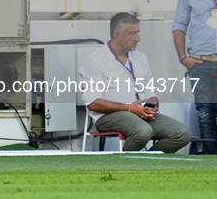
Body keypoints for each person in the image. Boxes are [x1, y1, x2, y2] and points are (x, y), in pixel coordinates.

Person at [80, 12, 191, 152]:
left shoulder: (140, 57)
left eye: (138, 32)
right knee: (142, 131)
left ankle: (148, 166)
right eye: (132, 33)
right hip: (109, 116)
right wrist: (129, 107)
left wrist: (151, 104)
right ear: (117, 35)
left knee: (181, 134)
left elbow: (151, 92)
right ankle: (126, 166)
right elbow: (93, 103)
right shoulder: (96, 60)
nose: (138, 39)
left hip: (140, 112)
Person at [173, 0, 217, 154]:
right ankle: (210, 163)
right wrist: (183, 58)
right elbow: (179, 26)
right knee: (205, 114)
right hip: (200, 62)